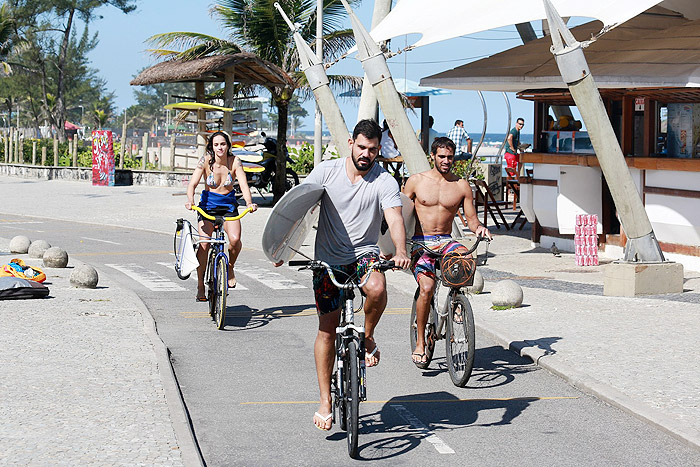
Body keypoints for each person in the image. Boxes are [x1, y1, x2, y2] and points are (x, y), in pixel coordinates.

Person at [300, 119, 411, 431]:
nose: (366, 154)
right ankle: (325, 401)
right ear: (351, 143)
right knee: (326, 330)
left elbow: (394, 216)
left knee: (377, 286)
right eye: (362, 147)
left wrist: (400, 250)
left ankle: (368, 336)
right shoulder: (325, 171)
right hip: (328, 259)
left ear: (378, 151)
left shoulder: (383, 181)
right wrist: (282, 246)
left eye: (373, 150)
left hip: (364, 253)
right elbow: (300, 206)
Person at [403, 136, 492, 366]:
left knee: (464, 257)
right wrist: (395, 247)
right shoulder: (415, 182)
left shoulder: (461, 186)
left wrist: (480, 228)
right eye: (441, 156)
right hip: (421, 242)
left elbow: (471, 220)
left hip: (446, 239)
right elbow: (400, 215)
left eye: (450, 157)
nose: (446, 161)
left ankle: (456, 304)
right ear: (432, 156)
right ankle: (421, 340)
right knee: (427, 287)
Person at [185, 131, 258, 301]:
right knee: (204, 244)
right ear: (211, 146)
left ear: (228, 145)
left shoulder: (235, 162)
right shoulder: (205, 161)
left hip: (228, 208)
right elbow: (193, 184)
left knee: (234, 239)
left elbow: (244, 185)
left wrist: (249, 203)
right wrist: (190, 200)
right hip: (207, 209)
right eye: (216, 144)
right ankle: (200, 285)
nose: (220, 148)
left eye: (223, 144)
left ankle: (230, 267)